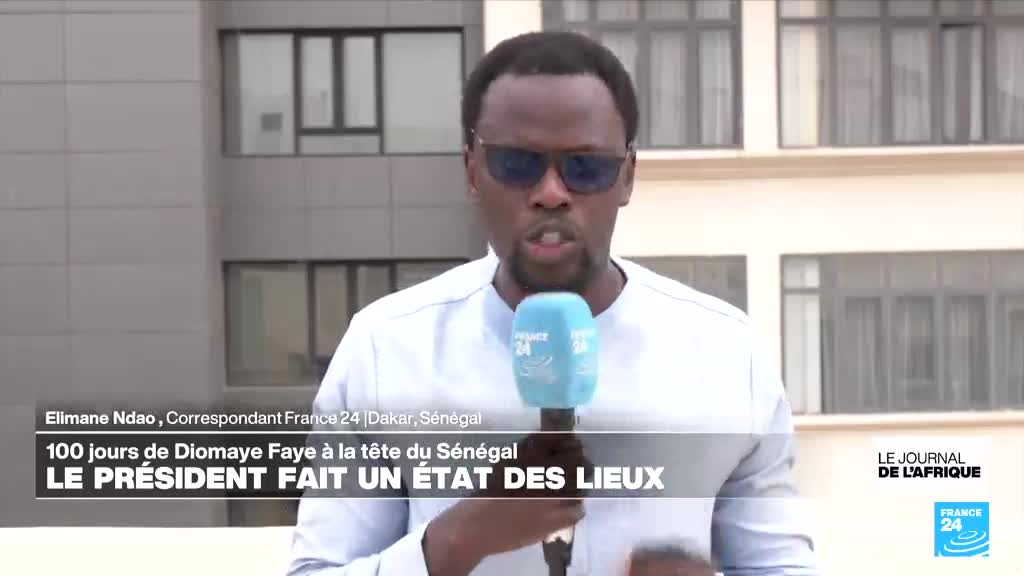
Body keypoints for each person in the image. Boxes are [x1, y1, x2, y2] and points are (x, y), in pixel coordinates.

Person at [286, 31, 819, 576]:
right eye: (517, 164)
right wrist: (458, 538)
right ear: (472, 170)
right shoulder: (385, 349)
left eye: (586, 167)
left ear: (628, 176)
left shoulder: (727, 354)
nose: (551, 193)